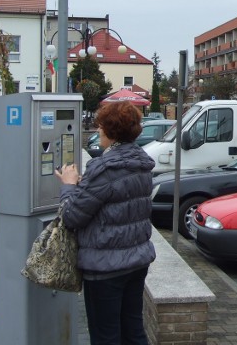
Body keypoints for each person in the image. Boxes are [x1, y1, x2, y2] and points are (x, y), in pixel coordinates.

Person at [54, 101, 156, 345]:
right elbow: (115, 199)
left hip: (106, 267)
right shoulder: (142, 162)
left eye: (100, 127)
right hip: (136, 261)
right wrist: (84, 187)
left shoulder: (103, 168)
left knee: (105, 336)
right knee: (133, 330)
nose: (98, 131)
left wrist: (68, 186)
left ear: (111, 131)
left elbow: (72, 217)